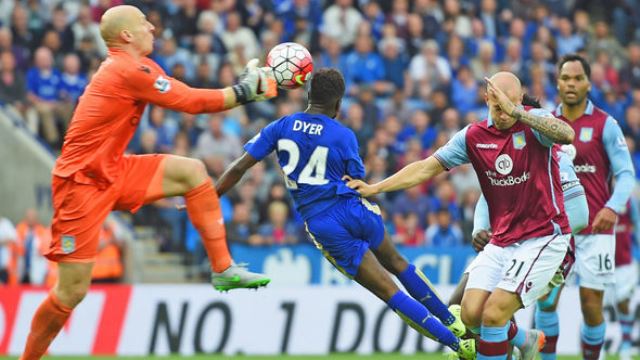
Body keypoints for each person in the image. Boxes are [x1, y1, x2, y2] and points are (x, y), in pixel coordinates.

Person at [19, 5, 276, 360]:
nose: (152, 27)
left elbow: (184, 92)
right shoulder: (126, 70)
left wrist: (243, 90)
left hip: (112, 169)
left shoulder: (138, 67)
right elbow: (189, 102)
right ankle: (30, 356)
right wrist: (243, 92)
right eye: (144, 23)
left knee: (192, 171)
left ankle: (223, 270)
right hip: (81, 185)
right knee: (71, 291)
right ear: (126, 35)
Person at [216, 68, 475, 359]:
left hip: (325, 223)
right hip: (355, 209)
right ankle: (456, 324)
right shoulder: (344, 135)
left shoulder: (280, 126)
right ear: (338, 105)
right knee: (399, 263)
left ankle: (460, 348)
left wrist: (209, 197)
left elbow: (239, 167)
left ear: (307, 95)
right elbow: (356, 178)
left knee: (390, 292)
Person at [348, 71, 576, 360]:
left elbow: (566, 134)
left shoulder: (534, 122)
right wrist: (375, 187)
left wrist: (517, 112)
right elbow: (425, 167)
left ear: (519, 100)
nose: (503, 115)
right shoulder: (473, 136)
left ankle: (516, 341)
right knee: (469, 315)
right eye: (497, 107)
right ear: (487, 99)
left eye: (509, 107)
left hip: (544, 236)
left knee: (493, 314)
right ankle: (523, 338)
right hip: (503, 241)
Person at [533, 54, 635, 360]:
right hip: (555, 232)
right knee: (546, 301)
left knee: (591, 306)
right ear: (558, 82)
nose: (571, 83)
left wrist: (613, 207)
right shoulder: (545, 123)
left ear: (589, 83)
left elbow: (627, 174)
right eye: (566, 78)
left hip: (596, 231)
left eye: (577, 78)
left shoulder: (605, 123)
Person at [604, 199, 640, 360]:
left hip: (625, 262)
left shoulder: (629, 202)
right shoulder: (600, 195)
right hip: (604, 262)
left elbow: (637, 225)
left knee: (623, 303)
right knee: (600, 306)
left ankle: (626, 347)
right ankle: (601, 348)